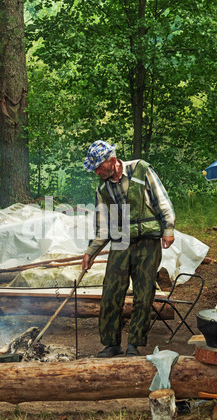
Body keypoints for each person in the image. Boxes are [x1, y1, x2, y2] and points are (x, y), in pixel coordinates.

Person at [81, 140, 175, 357]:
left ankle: (134, 344)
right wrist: (90, 252)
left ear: (112, 161)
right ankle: (112, 344)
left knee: (143, 292)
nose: (96, 172)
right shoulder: (103, 189)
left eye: (98, 167)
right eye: (93, 168)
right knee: (111, 290)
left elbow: (163, 200)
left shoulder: (140, 169)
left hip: (147, 240)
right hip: (121, 241)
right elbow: (103, 227)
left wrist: (168, 228)